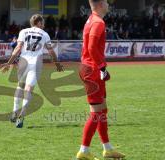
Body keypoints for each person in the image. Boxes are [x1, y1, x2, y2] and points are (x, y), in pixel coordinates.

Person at [76, 0, 125, 159]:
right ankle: (84, 151)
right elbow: (91, 48)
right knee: (96, 112)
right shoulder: (98, 22)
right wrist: (102, 68)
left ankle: (107, 149)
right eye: (106, 1)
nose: (108, 4)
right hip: (93, 70)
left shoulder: (91, 19)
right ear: (99, 4)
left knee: (102, 110)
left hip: (90, 68)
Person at [1, 14, 64, 128]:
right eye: (43, 22)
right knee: (28, 89)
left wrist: (8, 63)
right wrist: (57, 64)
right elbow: (51, 51)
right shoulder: (44, 34)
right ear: (39, 23)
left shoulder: (24, 31)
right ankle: (21, 116)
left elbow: (18, 48)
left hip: (23, 62)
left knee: (20, 86)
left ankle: (15, 112)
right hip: (36, 64)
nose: (44, 25)